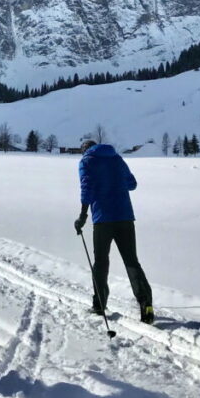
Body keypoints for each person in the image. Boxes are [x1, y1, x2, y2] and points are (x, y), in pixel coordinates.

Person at [73, 139, 154, 324]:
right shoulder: (116, 158)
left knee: (101, 262)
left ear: (84, 150)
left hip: (103, 220)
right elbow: (132, 184)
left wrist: (83, 215)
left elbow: (87, 188)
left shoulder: (86, 161)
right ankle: (146, 305)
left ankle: (99, 304)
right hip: (125, 217)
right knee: (132, 261)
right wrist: (114, 182)